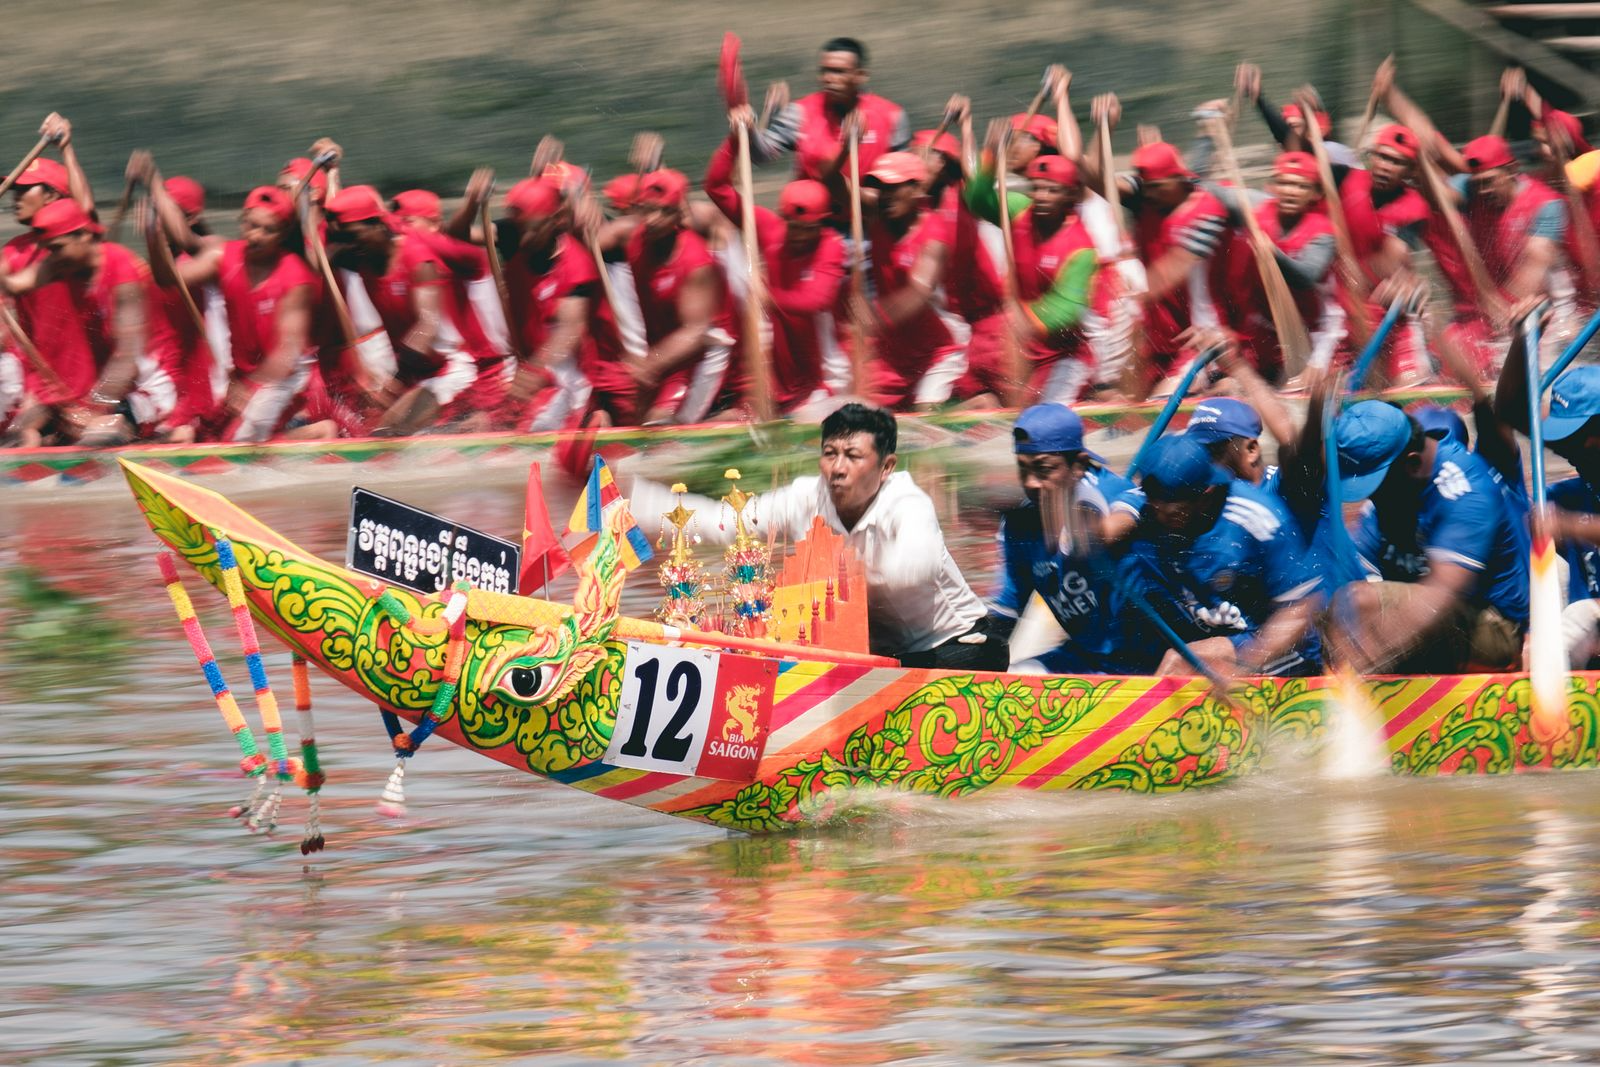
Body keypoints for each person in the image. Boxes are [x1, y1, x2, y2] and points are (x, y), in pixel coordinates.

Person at [634, 402, 1001, 668]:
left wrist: (826, 581)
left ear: (886, 466)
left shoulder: (909, 504)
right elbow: (726, 522)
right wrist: (634, 502)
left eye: (853, 456)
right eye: (830, 454)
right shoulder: (805, 497)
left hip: (958, 649)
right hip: (884, 657)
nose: (838, 469)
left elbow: (911, 573)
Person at [1325, 400, 1529, 674]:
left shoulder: (1465, 490)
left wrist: (1366, 659)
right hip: (1434, 620)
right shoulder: (1390, 494)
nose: (1371, 495)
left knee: (1360, 604)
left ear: (1411, 463)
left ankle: (1357, 703)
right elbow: (1353, 577)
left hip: (1495, 629)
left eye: (1374, 485)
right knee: (1332, 602)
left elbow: (1439, 596)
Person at [1116, 433, 1322, 677]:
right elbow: (1107, 525)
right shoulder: (1152, 502)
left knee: (1178, 663)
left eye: (1174, 513)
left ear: (1206, 495)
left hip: (1275, 649)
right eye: (1154, 507)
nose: (1159, 518)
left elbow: (1304, 606)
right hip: (1212, 635)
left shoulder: (1257, 518)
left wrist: (1244, 666)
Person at [143, 175, 319, 443]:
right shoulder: (224, 256)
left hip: (287, 377)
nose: (255, 236)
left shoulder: (296, 276)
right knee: (219, 435)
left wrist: (247, 389)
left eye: (267, 230)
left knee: (241, 440)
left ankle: (311, 435)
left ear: (283, 234)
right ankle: (315, 434)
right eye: (251, 225)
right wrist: (153, 239)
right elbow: (168, 280)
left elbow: (286, 354)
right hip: (245, 374)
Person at [707, 107, 848, 412]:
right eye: (792, 227)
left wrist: (766, 296)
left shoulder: (832, 246)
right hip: (779, 370)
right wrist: (734, 140)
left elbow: (816, 300)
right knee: (740, 416)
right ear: (783, 218)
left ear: (822, 223)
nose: (797, 236)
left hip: (823, 376)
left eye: (807, 230)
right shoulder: (770, 228)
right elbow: (716, 188)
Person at [322, 184, 492, 435]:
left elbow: (428, 326)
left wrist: (396, 381)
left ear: (377, 224)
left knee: (388, 432)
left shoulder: (416, 258)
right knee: (380, 431)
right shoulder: (363, 258)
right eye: (341, 240)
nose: (348, 246)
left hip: (452, 369)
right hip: (417, 376)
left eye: (352, 236)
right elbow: (313, 247)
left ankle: (470, 426)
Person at [5, 199, 177, 445]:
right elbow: (12, 284)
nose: (51, 258)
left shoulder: (122, 268)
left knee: (98, 435)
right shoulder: (62, 263)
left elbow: (127, 357)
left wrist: (93, 408)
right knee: (18, 432)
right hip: (103, 387)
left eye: (56, 248)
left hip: (146, 384)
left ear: (84, 235)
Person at [962, 135, 1100, 406]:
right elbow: (976, 199)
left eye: (1052, 190)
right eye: (1036, 188)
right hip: (1025, 349)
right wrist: (991, 156)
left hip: (1063, 356)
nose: (1041, 197)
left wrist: (1022, 317)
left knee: (1036, 418)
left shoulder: (1081, 248)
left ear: (1071, 194)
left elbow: (1066, 308)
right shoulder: (1018, 210)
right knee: (1003, 408)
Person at [987, 404, 1122, 673]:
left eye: (1044, 469)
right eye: (1023, 469)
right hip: (1085, 657)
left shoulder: (1116, 498)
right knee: (1018, 677)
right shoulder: (1019, 524)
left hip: (1146, 660)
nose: (1031, 483)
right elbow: (1009, 608)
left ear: (1079, 465)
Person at [605, 168, 740, 424]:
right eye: (648, 209)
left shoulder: (696, 261)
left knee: (662, 424)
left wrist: (650, 363)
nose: (654, 219)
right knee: (640, 421)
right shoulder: (634, 240)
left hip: (706, 348)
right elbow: (594, 237)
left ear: (679, 214)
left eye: (664, 211)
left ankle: (734, 420)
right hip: (667, 348)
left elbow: (695, 332)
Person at [751, 37, 910, 218]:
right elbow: (759, 157)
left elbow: (903, 185)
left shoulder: (892, 116)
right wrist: (753, 124)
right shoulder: (799, 112)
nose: (828, 78)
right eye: (824, 71)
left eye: (839, 72)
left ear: (861, 75)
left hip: (869, 222)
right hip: (812, 229)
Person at [857, 151, 963, 408]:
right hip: (894, 351)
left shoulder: (934, 233)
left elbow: (920, 291)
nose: (885, 196)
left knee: (924, 411)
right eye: (880, 188)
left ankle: (977, 403)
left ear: (917, 190)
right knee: (861, 410)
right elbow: (835, 184)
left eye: (893, 188)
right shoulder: (876, 214)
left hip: (936, 350)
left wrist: (874, 318)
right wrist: (844, 147)